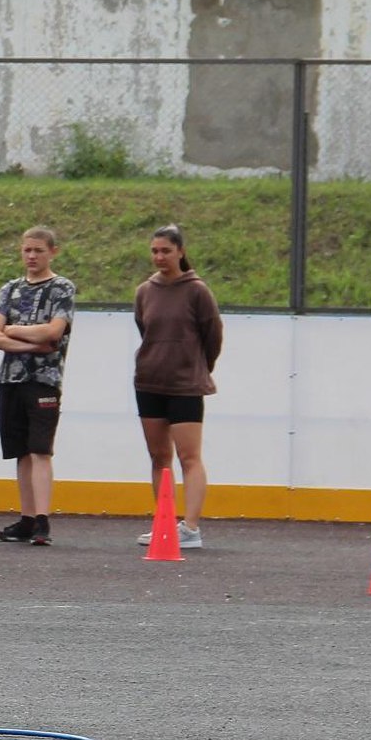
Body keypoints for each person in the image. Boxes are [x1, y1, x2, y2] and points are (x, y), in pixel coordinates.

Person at [134, 224, 222, 550]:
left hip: (185, 385)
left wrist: (198, 367)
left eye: (166, 251)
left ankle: (192, 527)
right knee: (159, 458)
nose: (159, 256)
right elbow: (145, 329)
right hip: (148, 382)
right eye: (155, 250)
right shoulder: (145, 291)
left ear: (181, 251)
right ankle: (164, 522)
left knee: (189, 457)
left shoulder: (197, 290)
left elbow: (212, 336)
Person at [0, 226, 76, 546]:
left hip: (44, 380)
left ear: (53, 251)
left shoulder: (62, 288)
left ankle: (42, 520)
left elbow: (53, 333)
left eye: (38, 250)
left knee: (40, 450)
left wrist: (12, 333)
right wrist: (29, 340)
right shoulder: (9, 289)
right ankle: (26, 518)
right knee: (20, 452)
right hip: (11, 378)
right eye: (27, 250)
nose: (31, 256)